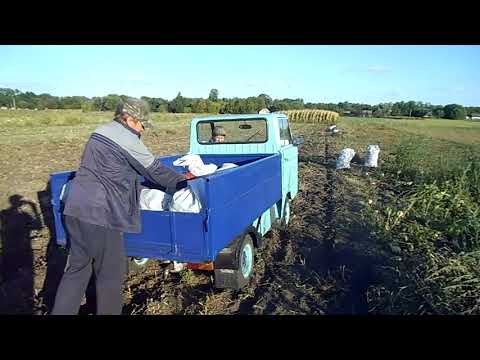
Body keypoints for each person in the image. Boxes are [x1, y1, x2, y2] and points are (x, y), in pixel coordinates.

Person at [51, 97, 187, 315]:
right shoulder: (127, 139)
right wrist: (187, 183)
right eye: (142, 124)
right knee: (109, 276)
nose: (143, 129)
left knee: (77, 270)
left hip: (75, 208)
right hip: (101, 215)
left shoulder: (100, 131)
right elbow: (156, 172)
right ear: (130, 119)